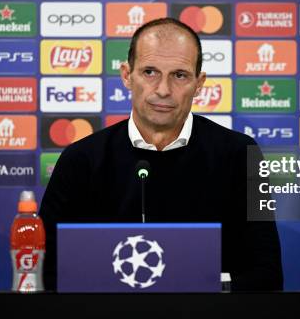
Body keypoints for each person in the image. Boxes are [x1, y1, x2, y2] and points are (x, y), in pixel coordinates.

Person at [39, 17, 283, 291]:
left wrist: (205, 291)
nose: (164, 90)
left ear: (199, 83)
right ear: (126, 75)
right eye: (150, 72)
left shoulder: (241, 155)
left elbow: (267, 274)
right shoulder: (81, 159)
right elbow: (45, 271)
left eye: (179, 75)